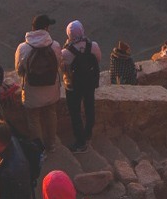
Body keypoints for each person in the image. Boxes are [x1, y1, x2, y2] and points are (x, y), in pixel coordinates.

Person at [15, 14, 62, 154]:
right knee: (51, 114)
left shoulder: (23, 48)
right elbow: (58, 64)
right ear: (46, 28)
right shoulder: (55, 46)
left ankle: (39, 149)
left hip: (32, 92)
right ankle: (51, 144)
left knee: (33, 119)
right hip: (51, 89)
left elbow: (19, 70)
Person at [61, 20, 102, 154]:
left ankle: (80, 142)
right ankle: (88, 133)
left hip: (74, 86)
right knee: (90, 107)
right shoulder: (93, 46)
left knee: (75, 112)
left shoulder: (65, 53)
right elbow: (98, 59)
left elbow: (62, 68)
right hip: (90, 82)